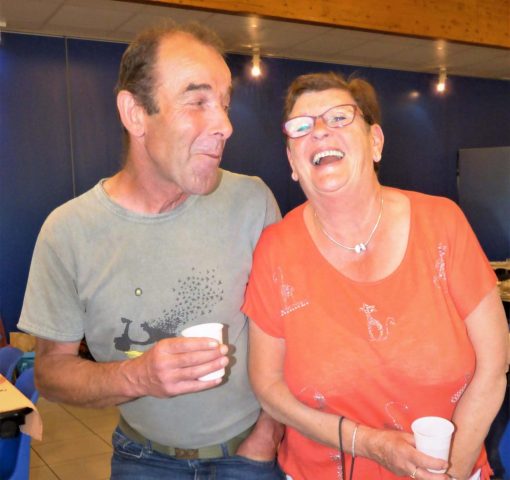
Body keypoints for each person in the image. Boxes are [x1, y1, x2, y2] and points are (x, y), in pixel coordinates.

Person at [17, 23, 284, 479]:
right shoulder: (68, 233)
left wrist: (267, 437)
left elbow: (289, 333)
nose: (225, 126)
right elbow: (52, 373)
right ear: (135, 113)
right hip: (143, 459)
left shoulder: (253, 202)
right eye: (197, 101)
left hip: (249, 454)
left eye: (224, 104)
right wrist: (138, 377)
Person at [243, 72, 509, 480]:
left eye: (339, 118)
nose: (319, 131)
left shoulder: (443, 224)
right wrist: (367, 443)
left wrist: (449, 473)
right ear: (293, 163)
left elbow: (494, 364)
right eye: (301, 127)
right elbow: (268, 388)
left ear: (376, 142)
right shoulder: (276, 250)